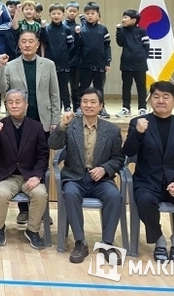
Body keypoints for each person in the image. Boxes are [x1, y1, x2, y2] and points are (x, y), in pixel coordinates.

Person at [123, 81, 174, 262]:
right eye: (156, 96)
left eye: (166, 97)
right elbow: (128, 152)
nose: (160, 101)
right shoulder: (138, 123)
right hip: (148, 182)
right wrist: (138, 134)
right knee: (144, 201)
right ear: (150, 100)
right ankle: (158, 239)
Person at [48, 88, 124, 263]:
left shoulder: (112, 130)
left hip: (101, 180)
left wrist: (104, 168)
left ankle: (107, 244)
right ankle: (80, 242)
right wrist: (62, 125)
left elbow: (118, 158)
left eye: (93, 102)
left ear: (101, 106)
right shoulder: (71, 126)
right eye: (85, 102)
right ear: (80, 105)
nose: (88, 105)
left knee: (114, 196)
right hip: (75, 178)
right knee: (70, 194)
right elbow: (53, 144)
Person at [0, 31, 60, 226]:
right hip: (19, 120)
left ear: (38, 44)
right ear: (19, 44)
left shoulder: (48, 64)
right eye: (23, 41)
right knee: (21, 163)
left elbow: (54, 93)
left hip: (43, 120)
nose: (27, 44)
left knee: (40, 163)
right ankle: (24, 211)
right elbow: (0, 88)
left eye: (31, 41)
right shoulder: (10, 65)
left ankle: (40, 211)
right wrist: (1, 67)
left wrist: (55, 119)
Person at [0, 89, 50, 250]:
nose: (14, 105)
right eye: (10, 102)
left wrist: (37, 176)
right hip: (7, 176)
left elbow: (43, 156)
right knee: (1, 194)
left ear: (26, 104)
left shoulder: (36, 127)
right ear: (6, 105)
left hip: (29, 176)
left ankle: (32, 230)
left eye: (18, 102)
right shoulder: (0, 125)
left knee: (40, 194)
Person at [77, 1, 111, 118]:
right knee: (83, 87)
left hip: (99, 63)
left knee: (99, 88)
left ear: (98, 14)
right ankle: (80, 108)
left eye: (93, 13)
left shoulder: (103, 29)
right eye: (87, 13)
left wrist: (107, 62)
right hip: (84, 64)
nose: (90, 15)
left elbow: (107, 47)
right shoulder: (81, 29)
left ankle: (101, 108)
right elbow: (77, 47)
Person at [115, 9, 150, 117]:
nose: (123, 19)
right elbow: (120, 43)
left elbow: (146, 46)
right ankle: (126, 108)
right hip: (126, 64)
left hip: (140, 64)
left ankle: (142, 108)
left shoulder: (141, 31)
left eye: (126, 17)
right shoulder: (122, 30)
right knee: (126, 87)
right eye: (123, 17)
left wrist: (142, 58)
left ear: (134, 20)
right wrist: (118, 31)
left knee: (141, 87)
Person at [44, 3, 76, 112]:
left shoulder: (66, 29)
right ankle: (55, 106)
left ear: (63, 14)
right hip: (50, 62)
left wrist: (65, 56)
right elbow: (43, 42)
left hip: (64, 62)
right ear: (49, 15)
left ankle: (67, 105)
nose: (56, 16)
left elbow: (70, 45)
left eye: (58, 13)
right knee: (51, 86)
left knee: (64, 86)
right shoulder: (47, 29)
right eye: (54, 13)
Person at [64, 1, 82, 113]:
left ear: (77, 13)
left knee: (75, 86)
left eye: (74, 11)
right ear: (66, 12)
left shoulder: (79, 27)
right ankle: (66, 106)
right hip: (63, 60)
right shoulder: (62, 26)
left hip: (75, 60)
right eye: (70, 11)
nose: (72, 13)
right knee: (63, 86)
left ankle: (77, 106)